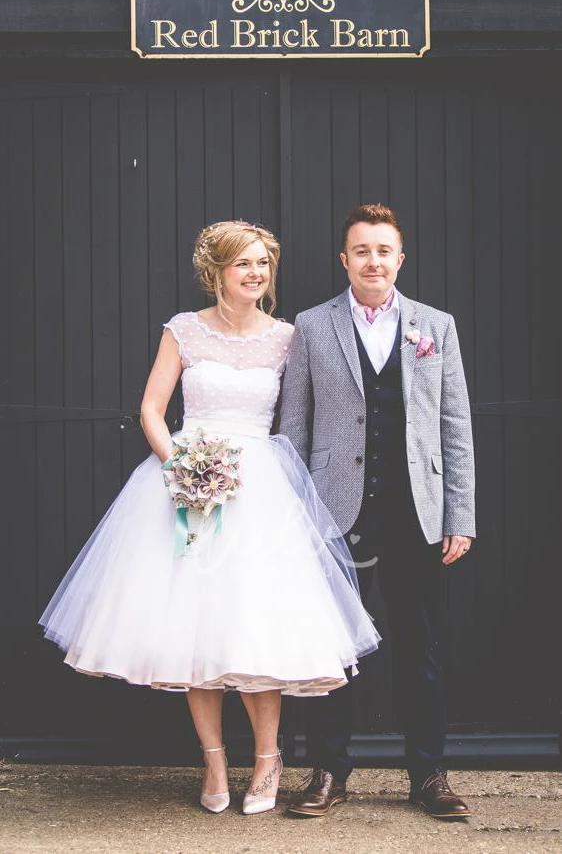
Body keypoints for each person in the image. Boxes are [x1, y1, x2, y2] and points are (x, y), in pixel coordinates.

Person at [39, 219, 380, 816]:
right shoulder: (184, 330)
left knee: (258, 626)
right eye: (244, 262)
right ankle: (215, 761)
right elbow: (151, 409)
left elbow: (301, 417)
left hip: (261, 490)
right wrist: (182, 469)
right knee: (192, 628)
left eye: (263, 263)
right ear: (216, 271)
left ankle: (268, 761)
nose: (256, 273)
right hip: (188, 483)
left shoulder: (288, 336)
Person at [280, 203, 475, 820]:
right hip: (337, 514)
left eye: (383, 250)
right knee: (334, 649)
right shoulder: (312, 326)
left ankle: (429, 776)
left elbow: (455, 426)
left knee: (421, 649)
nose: (373, 261)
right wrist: (296, 516)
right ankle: (327, 773)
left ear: (400, 258)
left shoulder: (435, 326)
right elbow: (293, 427)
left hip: (418, 514)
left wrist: (460, 515)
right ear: (345, 260)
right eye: (361, 251)